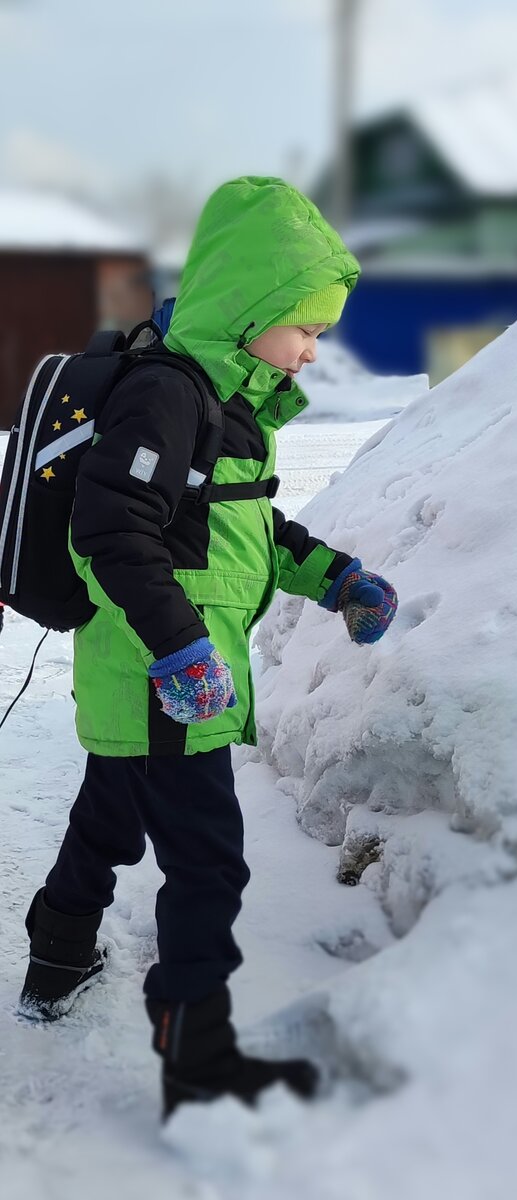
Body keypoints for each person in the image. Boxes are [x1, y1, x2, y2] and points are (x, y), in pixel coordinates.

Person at [17, 176, 397, 1119]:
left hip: (159, 673)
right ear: (252, 307)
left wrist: (337, 576)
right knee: (209, 864)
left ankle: (57, 959)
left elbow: (244, 533)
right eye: (304, 326)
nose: (314, 348)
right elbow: (111, 530)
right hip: (161, 674)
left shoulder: (228, 406)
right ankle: (197, 1057)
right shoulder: (167, 393)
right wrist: (181, 649)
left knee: (108, 818)